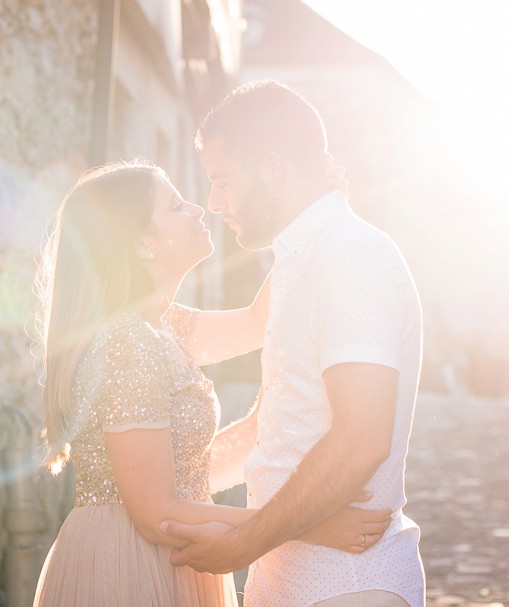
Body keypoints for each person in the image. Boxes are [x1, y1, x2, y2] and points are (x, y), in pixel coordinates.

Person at [32, 159, 392, 607]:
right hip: (131, 563)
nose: (199, 209)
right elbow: (155, 514)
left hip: (169, 555)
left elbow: (260, 322)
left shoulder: (164, 326)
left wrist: (308, 213)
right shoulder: (130, 342)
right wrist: (304, 525)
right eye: (176, 205)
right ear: (142, 242)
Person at [161, 81, 426, 607]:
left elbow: (361, 438)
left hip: (349, 587)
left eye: (223, 181)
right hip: (290, 582)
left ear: (273, 169)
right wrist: (154, 487)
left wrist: (241, 544)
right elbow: (274, 432)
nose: (213, 203)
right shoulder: (299, 262)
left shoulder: (349, 256)